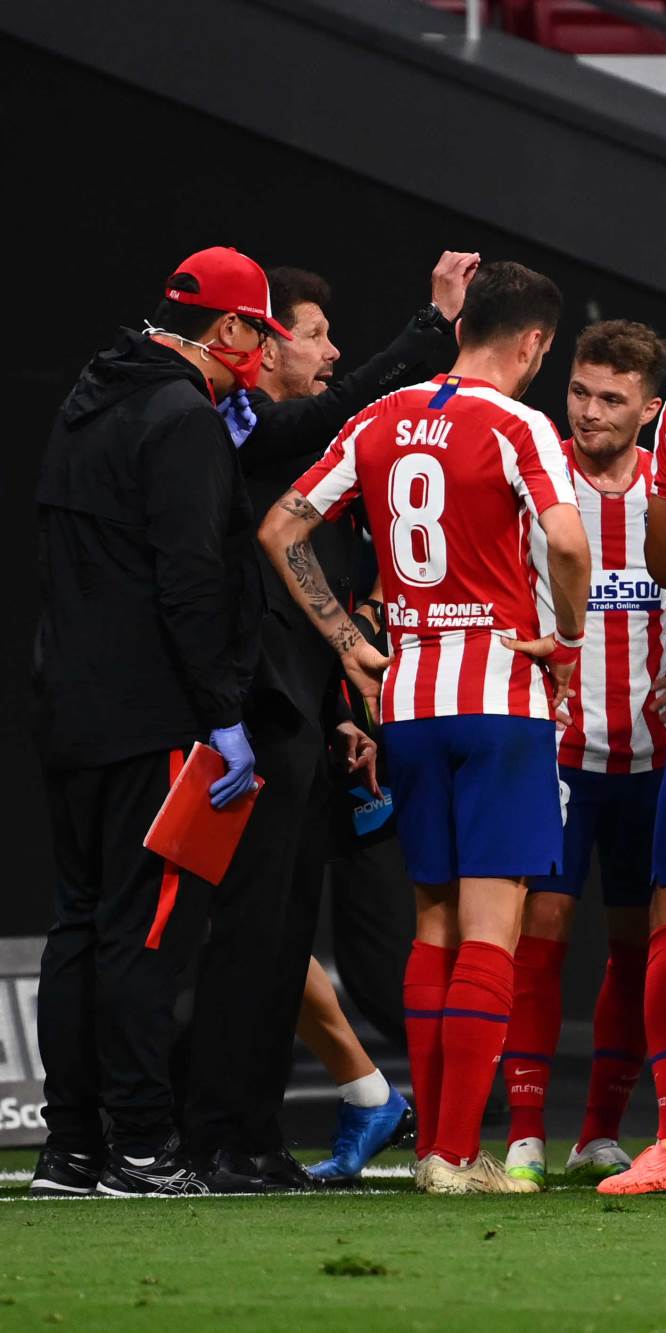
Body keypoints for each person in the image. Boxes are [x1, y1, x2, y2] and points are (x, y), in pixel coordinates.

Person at [259, 260, 591, 1196]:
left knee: (433, 925)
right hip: (498, 695)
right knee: (492, 926)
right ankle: (452, 1152)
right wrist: (567, 637)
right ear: (533, 343)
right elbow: (568, 543)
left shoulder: (382, 416)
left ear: (462, 327)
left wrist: (346, 641)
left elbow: (282, 527)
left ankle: (438, 1153)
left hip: (407, 699)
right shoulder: (518, 424)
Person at [186, 254, 475, 1191]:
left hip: (312, 721)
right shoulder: (245, 431)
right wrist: (430, 326)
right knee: (249, 933)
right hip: (252, 725)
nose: (331, 351)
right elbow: (339, 411)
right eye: (313, 334)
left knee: (285, 938)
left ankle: (254, 1131)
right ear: (264, 348)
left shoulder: (303, 454)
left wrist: (344, 706)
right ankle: (210, 1133)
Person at [28, 247, 280, 1199]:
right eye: (259, 331)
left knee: (78, 927)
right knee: (142, 932)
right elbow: (190, 580)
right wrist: (223, 713)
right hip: (151, 713)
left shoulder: (87, 397)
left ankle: (71, 1148)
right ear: (230, 327)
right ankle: (139, 1145)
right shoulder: (181, 417)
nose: (262, 352)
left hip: (69, 703)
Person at [499, 320, 666, 1188]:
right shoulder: (538, 477)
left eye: (611, 398)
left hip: (656, 756)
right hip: (557, 751)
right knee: (543, 930)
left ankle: (599, 1131)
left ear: (650, 406)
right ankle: (525, 1130)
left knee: (641, 944)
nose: (590, 411)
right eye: (579, 391)